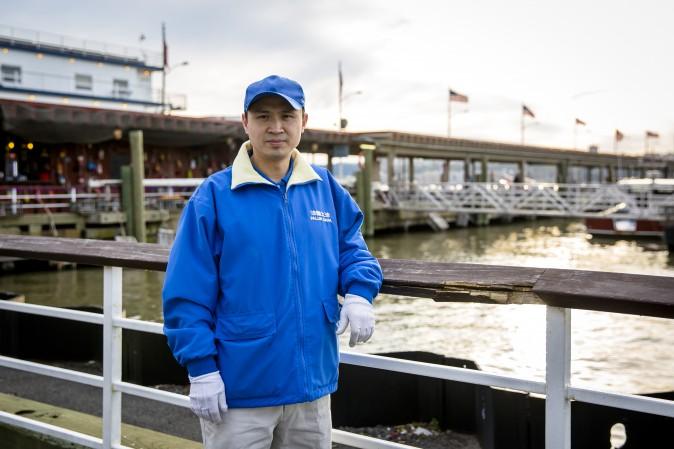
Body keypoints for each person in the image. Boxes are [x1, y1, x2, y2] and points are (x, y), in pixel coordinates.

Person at [162, 74, 383, 449]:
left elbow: (354, 249)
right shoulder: (214, 196)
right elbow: (186, 292)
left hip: (311, 387)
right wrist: (201, 370)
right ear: (245, 122)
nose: (276, 127)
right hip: (239, 391)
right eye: (263, 116)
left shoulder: (325, 187)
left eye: (286, 116)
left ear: (304, 122)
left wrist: (360, 293)